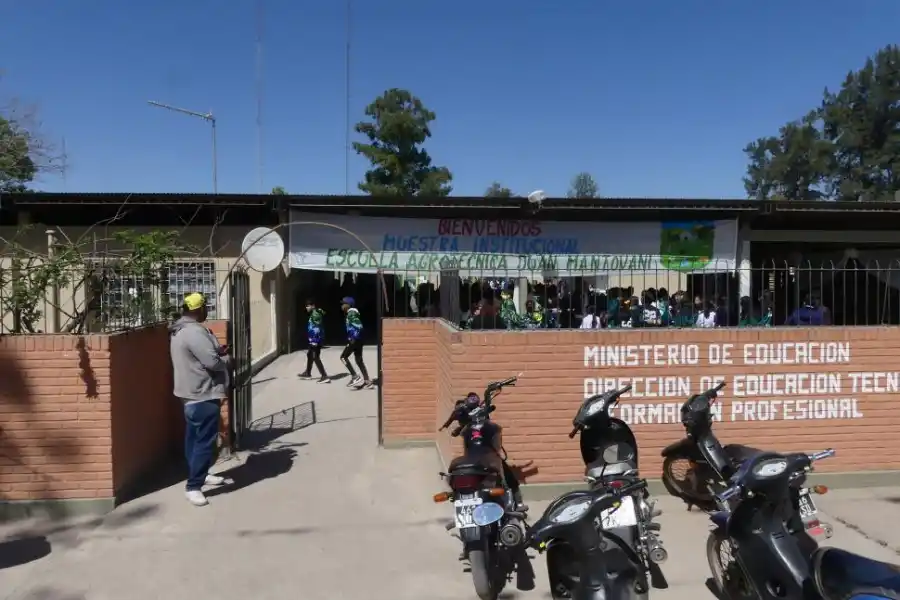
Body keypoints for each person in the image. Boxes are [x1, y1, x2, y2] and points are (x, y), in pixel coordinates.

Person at [169, 292, 230, 507]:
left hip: (189, 392)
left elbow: (200, 355)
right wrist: (226, 358)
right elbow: (212, 362)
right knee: (204, 442)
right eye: (205, 307)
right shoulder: (194, 332)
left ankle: (201, 474)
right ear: (198, 309)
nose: (207, 311)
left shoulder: (180, 329)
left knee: (193, 438)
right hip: (202, 392)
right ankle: (193, 486)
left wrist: (216, 351)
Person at [340, 297, 373, 389]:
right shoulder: (352, 313)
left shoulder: (351, 313)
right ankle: (367, 381)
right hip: (359, 340)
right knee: (359, 360)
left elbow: (359, 326)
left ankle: (355, 376)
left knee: (343, 357)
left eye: (343, 304)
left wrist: (353, 338)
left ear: (348, 305)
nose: (342, 306)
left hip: (355, 339)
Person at [298, 298, 330, 383]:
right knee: (309, 354)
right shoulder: (314, 313)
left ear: (313, 306)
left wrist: (314, 341)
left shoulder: (315, 314)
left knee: (315, 357)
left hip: (316, 339)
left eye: (308, 306)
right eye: (306, 306)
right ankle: (308, 373)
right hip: (315, 339)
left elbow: (317, 328)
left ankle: (324, 376)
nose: (307, 308)